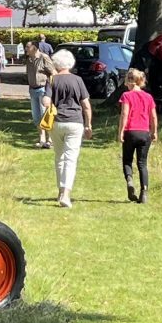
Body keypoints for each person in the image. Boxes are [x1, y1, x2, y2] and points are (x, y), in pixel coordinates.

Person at [47, 49, 91, 207]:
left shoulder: (52, 80)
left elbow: (45, 100)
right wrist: (88, 124)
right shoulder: (78, 80)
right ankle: (66, 194)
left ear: (56, 64)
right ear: (70, 63)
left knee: (59, 157)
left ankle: (60, 191)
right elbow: (85, 105)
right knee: (70, 159)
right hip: (75, 122)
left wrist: (49, 104)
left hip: (57, 122)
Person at [117, 67, 158, 203]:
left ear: (129, 82)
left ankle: (129, 180)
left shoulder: (126, 96)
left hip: (131, 131)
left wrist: (121, 131)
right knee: (142, 163)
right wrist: (154, 131)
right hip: (144, 133)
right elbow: (153, 116)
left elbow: (125, 114)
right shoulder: (148, 97)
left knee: (127, 160)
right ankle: (144, 191)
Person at [26, 40, 55, 148]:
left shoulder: (44, 58)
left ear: (34, 48)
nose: (26, 49)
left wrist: (49, 91)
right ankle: (42, 139)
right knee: (36, 116)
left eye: (27, 47)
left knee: (45, 115)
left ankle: (50, 139)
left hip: (43, 89)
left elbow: (53, 73)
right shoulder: (29, 60)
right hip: (33, 90)